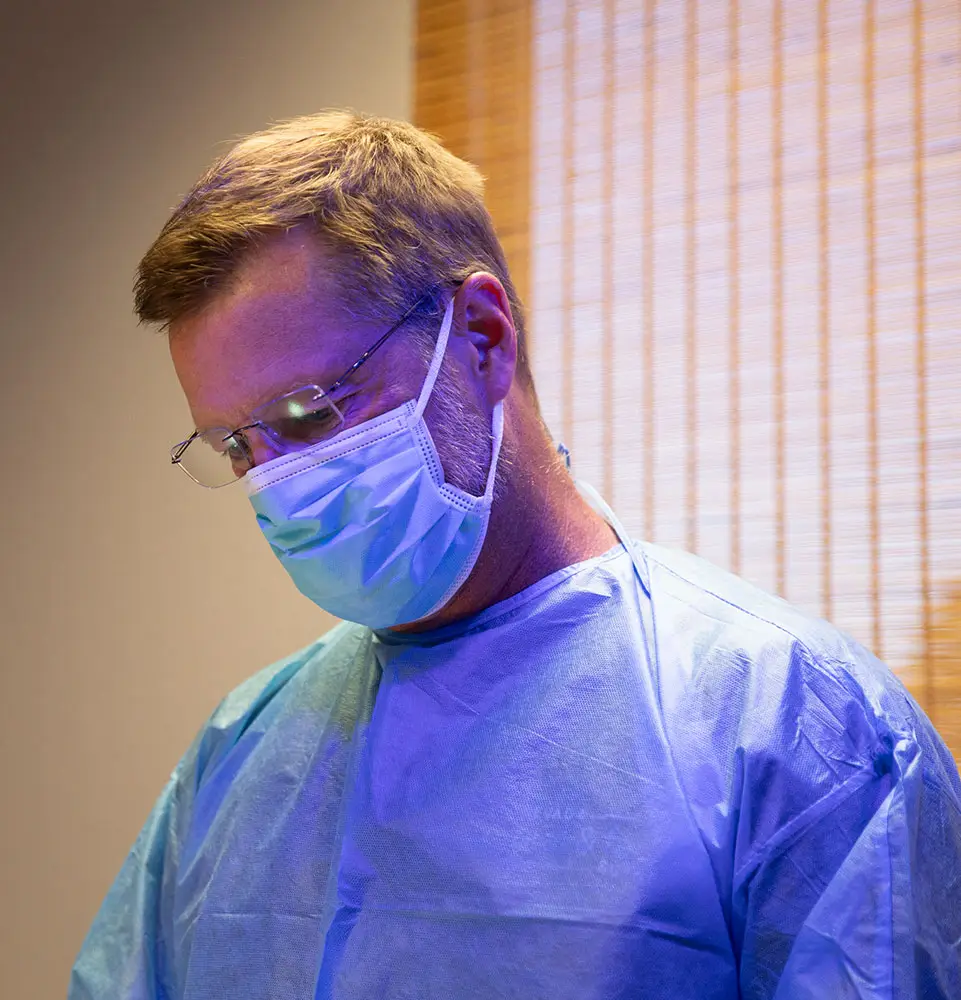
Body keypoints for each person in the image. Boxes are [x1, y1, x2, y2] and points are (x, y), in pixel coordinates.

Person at [69, 111, 961, 1000]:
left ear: (482, 337)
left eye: (308, 414)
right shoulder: (242, 751)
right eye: (237, 447)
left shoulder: (795, 732)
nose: (278, 485)